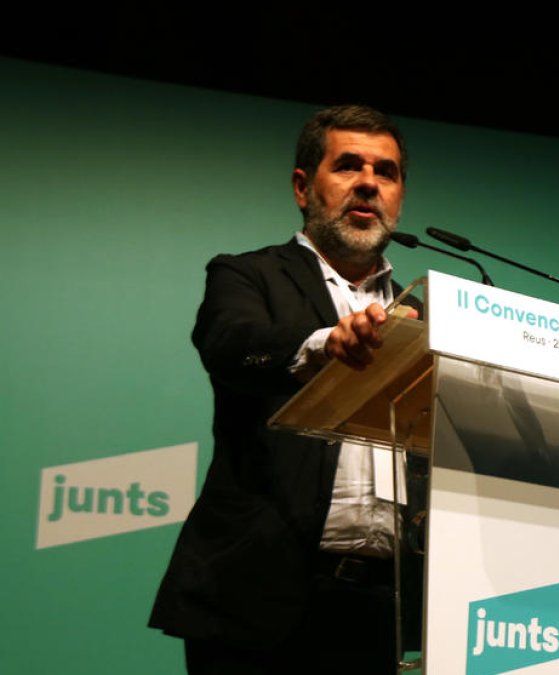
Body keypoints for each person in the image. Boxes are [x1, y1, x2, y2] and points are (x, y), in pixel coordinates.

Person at [149, 104, 425, 675]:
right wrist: (326, 345)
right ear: (304, 187)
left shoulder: (425, 311)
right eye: (348, 166)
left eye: (386, 172)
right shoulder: (248, 275)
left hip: (382, 606)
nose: (369, 183)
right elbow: (231, 342)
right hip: (260, 600)